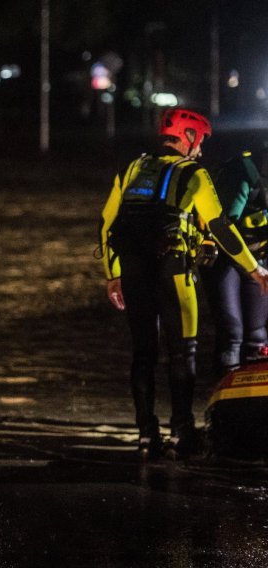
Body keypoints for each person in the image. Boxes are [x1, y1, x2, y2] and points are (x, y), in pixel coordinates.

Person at [99, 107, 268, 461]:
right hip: (173, 270)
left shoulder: (132, 168)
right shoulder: (193, 172)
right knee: (183, 352)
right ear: (188, 136)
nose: (202, 149)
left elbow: (106, 223)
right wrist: (254, 270)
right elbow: (220, 226)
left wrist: (112, 274)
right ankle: (182, 432)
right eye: (201, 140)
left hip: (132, 270)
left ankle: (146, 434)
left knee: (143, 353)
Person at [200, 147, 268, 376]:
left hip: (258, 257)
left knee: (256, 334)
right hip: (224, 258)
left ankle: (256, 402)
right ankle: (225, 401)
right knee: (231, 333)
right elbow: (225, 228)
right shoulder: (241, 174)